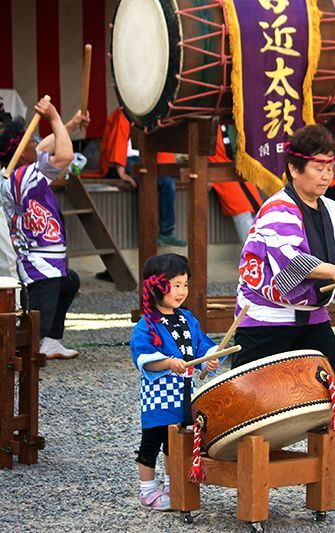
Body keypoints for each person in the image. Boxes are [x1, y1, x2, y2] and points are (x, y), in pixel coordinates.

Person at [232, 124, 335, 477]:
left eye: (330, 166)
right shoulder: (277, 209)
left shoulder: (332, 211)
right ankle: (224, 454)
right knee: (248, 392)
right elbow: (291, 260)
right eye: (319, 167)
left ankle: (331, 459)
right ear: (294, 169)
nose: (326, 175)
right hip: (267, 318)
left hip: (311, 317)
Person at [131, 253, 222, 511]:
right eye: (175, 285)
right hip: (159, 397)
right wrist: (169, 363)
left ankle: (174, 485)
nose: (181, 291)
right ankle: (147, 491)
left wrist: (209, 359)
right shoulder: (146, 324)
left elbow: (202, 345)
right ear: (156, 286)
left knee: (177, 443)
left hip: (185, 394)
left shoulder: (186, 318)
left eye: (184, 284)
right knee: (152, 442)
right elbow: (143, 357)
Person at [0, 98, 87, 359]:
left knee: (70, 283)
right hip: (41, 267)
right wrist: (55, 117)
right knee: (32, 330)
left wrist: (68, 124)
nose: (37, 147)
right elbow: (65, 155)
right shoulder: (22, 177)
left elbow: (45, 146)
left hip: (47, 262)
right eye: (30, 143)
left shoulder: (18, 169)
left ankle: (50, 342)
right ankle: (15, 362)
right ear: (21, 150)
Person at [99, 107, 186, 247]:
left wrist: (167, 169)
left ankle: (166, 232)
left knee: (168, 183)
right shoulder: (123, 112)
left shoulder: (153, 111)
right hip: (125, 160)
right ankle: (148, 233)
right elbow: (118, 140)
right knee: (146, 180)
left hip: (146, 157)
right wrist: (121, 171)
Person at [208, 125, 262, 244]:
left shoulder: (234, 120)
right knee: (242, 211)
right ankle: (252, 255)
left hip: (240, 170)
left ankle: (266, 254)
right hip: (219, 169)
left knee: (258, 211)